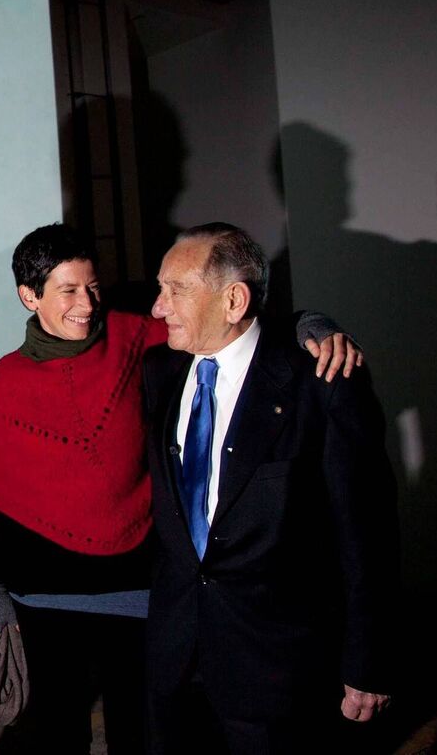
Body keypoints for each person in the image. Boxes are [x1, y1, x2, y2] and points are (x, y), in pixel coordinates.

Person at [0, 224, 361, 754]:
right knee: (57, 730)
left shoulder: (141, 338)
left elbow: (236, 327)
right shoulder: (1, 381)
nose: (86, 304)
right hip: (43, 591)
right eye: (68, 290)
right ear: (29, 295)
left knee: (143, 727)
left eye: (92, 287)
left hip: (138, 582)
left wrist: (312, 324)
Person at [143, 222, 398, 753]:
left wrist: (366, 662)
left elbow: (366, 533)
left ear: (233, 299)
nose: (158, 308)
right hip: (177, 665)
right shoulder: (160, 371)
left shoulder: (322, 381)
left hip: (279, 677)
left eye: (176, 290)